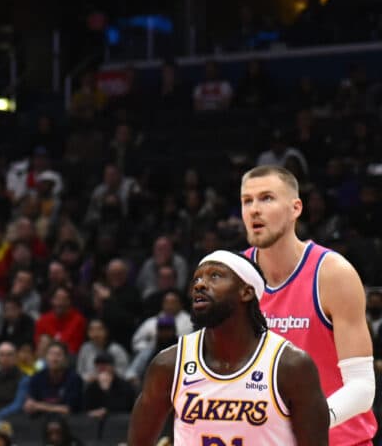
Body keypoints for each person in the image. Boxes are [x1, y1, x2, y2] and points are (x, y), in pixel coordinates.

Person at [127, 251, 329, 446]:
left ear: (246, 292)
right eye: (196, 279)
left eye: (214, 276)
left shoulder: (290, 366)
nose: (200, 285)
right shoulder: (169, 364)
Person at [241, 165, 377, 445]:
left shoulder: (333, 273)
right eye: (247, 201)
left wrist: (298, 424)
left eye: (267, 198)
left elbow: (362, 388)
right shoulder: (233, 275)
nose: (254, 209)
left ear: (296, 208)